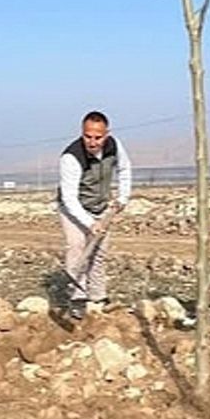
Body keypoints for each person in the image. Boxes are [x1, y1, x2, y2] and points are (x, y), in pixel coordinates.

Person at [56, 111, 132, 320]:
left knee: (99, 252)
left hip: (101, 207)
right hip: (73, 210)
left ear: (106, 135)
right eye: (88, 136)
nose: (92, 142)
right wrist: (90, 223)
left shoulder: (114, 146)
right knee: (77, 248)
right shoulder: (71, 157)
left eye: (97, 137)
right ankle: (78, 297)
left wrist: (123, 197)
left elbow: (125, 170)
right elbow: (70, 199)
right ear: (82, 134)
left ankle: (98, 296)